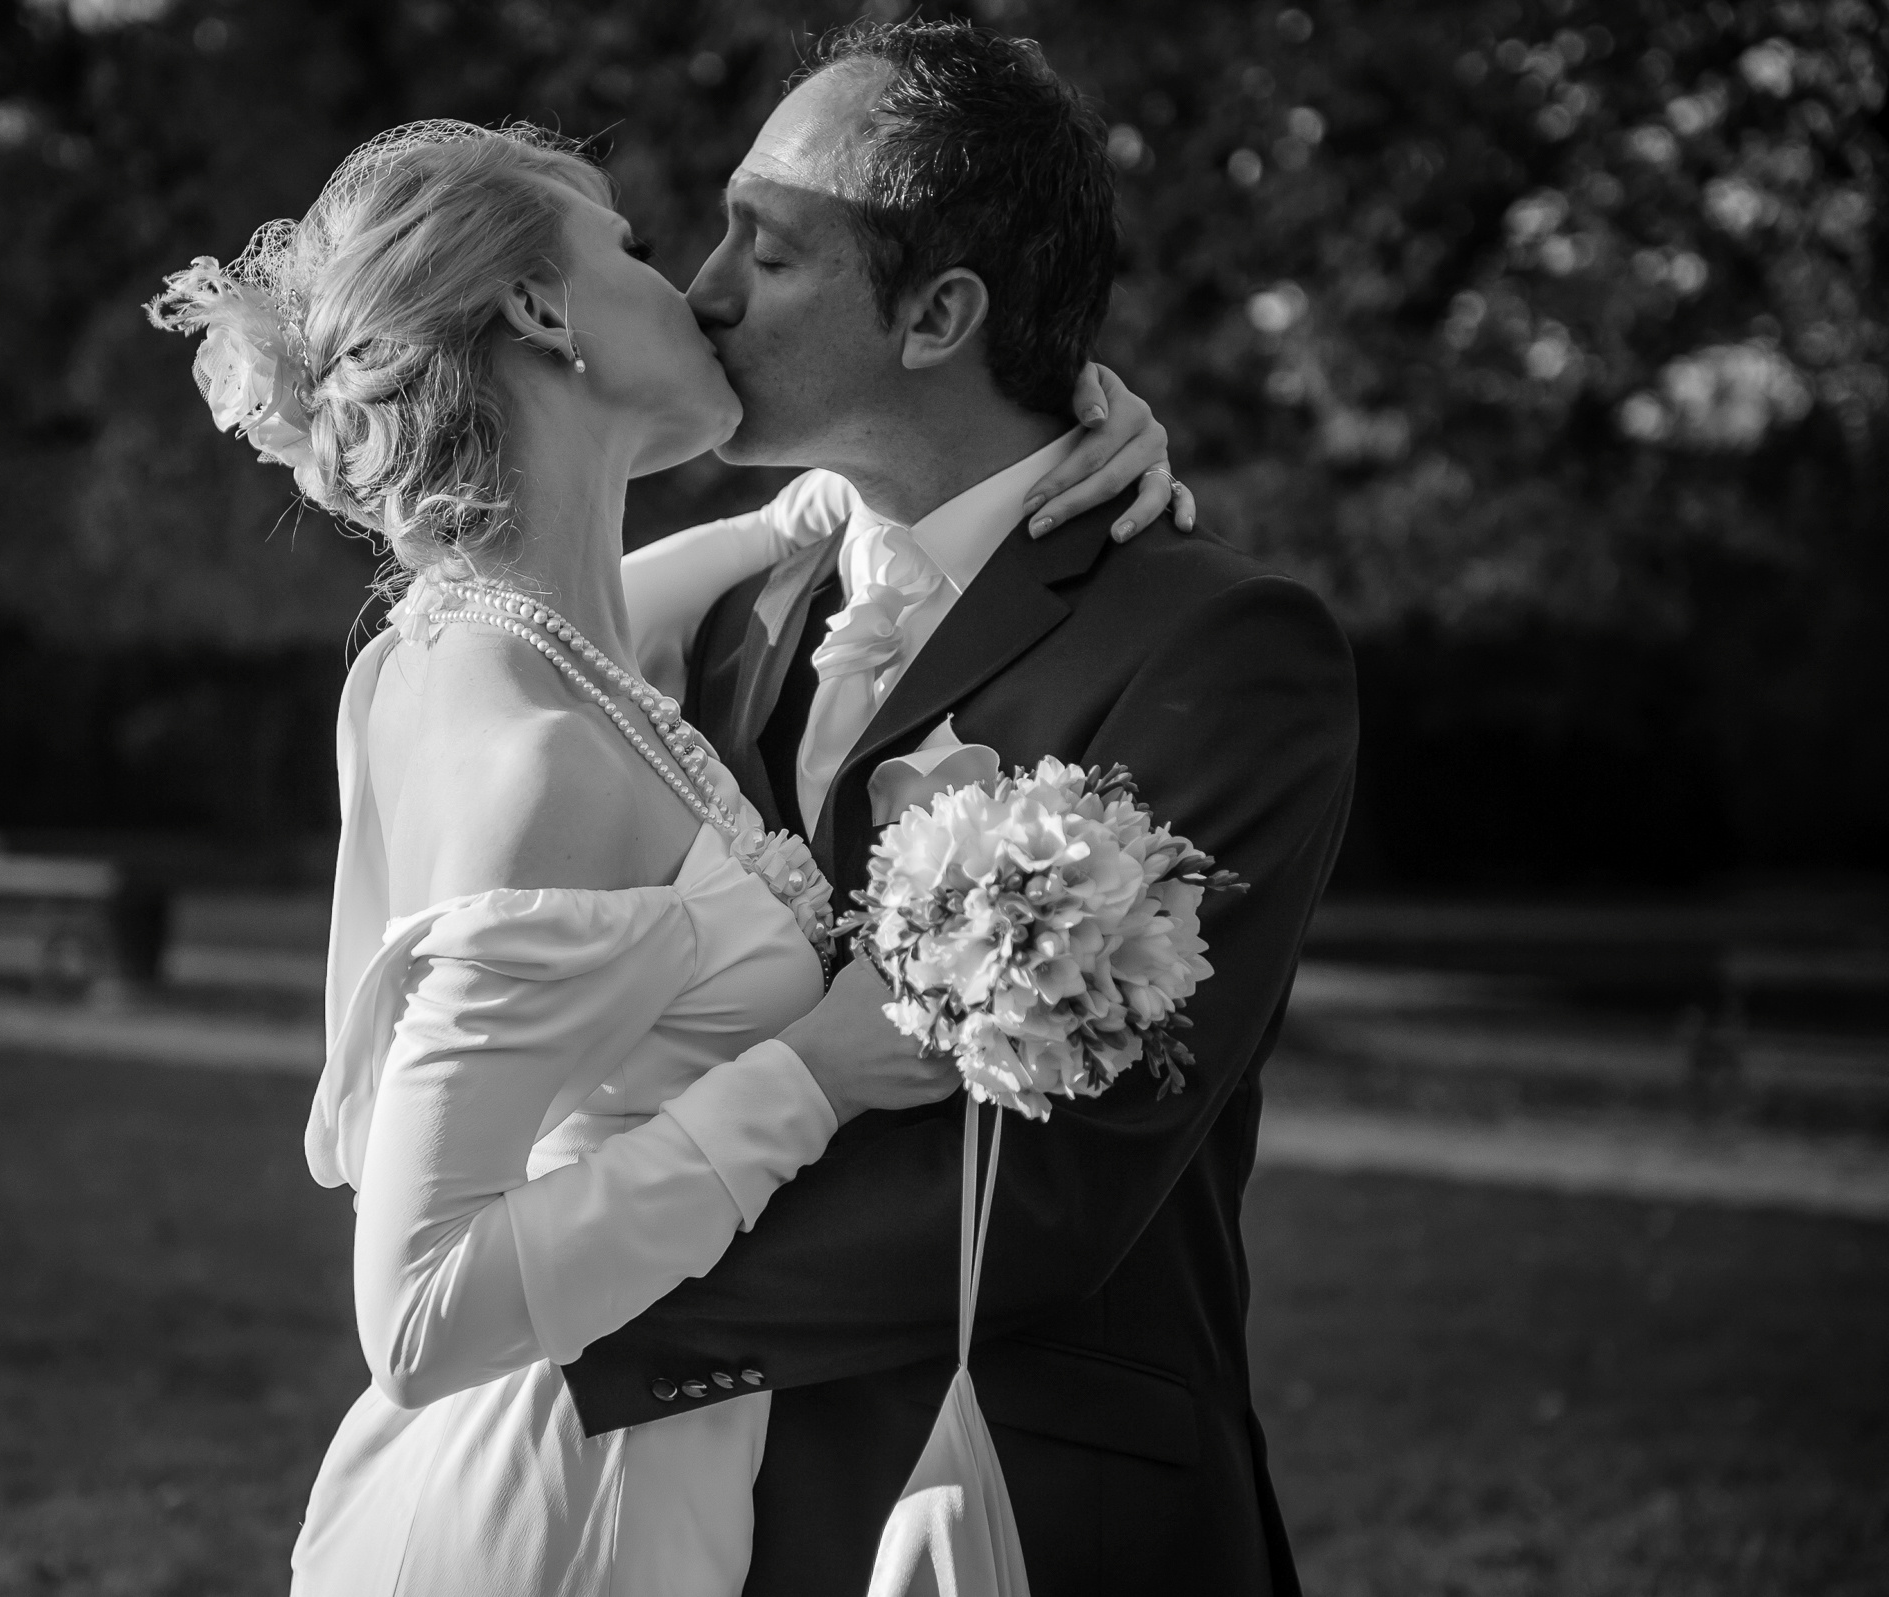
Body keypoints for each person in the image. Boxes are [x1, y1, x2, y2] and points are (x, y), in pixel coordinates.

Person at [146, 82, 1182, 1597]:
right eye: (632, 247)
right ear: (545, 310)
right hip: (559, 1504)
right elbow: (418, 1315)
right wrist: (812, 1078)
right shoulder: (535, 751)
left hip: (647, 1479)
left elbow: (779, 536)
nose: (690, 285)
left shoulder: (508, 641)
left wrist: (1044, 426)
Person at [561, 21, 1359, 1597]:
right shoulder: (726, 619)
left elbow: (1053, 1189)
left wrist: (564, 1302)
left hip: (1033, 1516)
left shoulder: (1212, 647)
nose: (705, 289)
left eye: (765, 249)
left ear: (938, 313)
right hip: (707, 1522)